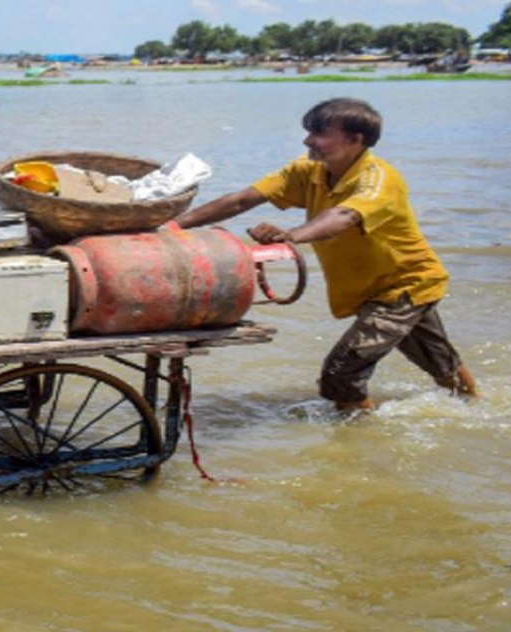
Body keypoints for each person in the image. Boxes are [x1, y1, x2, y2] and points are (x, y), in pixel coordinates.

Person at [172, 97, 477, 412]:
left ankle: (357, 444)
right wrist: (170, 225)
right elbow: (241, 201)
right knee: (439, 362)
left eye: (319, 133)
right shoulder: (307, 172)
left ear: (354, 140)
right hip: (370, 288)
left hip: (404, 287)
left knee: (341, 372)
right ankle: (475, 409)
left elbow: (344, 217)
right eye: (308, 132)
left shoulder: (379, 180)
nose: (308, 140)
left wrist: (291, 237)